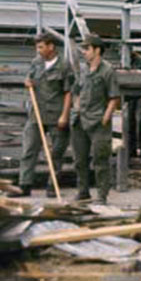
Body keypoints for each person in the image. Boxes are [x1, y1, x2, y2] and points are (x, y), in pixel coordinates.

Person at [9, 32, 72, 198]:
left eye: (40, 47)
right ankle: (25, 185)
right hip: (36, 114)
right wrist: (27, 82)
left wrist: (64, 115)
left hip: (56, 115)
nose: (38, 50)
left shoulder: (64, 66)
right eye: (37, 47)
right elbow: (29, 79)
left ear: (51, 47)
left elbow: (68, 93)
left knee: (56, 153)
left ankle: (52, 186)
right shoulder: (36, 63)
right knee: (29, 149)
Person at [71, 33, 119, 204]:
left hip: (98, 122)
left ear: (97, 50)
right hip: (80, 120)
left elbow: (114, 98)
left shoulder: (107, 71)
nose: (84, 52)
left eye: (87, 48)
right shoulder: (84, 69)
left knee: (100, 160)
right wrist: (76, 107)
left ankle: (102, 196)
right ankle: (83, 191)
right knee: (79, 160)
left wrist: (105, 118)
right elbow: (76, 90)